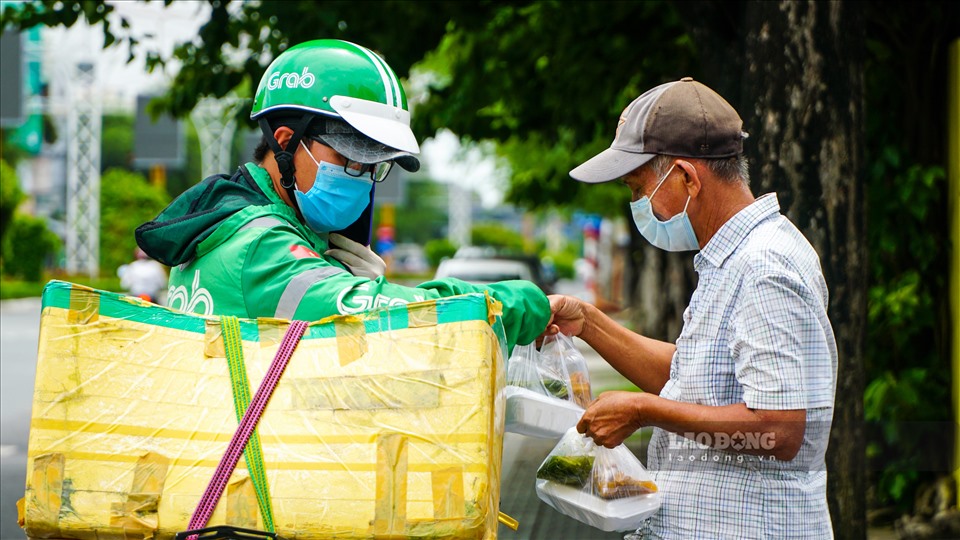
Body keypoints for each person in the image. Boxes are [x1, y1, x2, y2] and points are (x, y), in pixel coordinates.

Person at [545, 77, 838, 538]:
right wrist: (589, 323)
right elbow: (694, 381)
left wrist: (643, 411)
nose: (637, 205)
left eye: (638, 189)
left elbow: (780, 428)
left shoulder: (763, 266)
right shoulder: (731, 258)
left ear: (685, 177)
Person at [135, 39, 548, 352]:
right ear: (286, 141)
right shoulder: (258, 243)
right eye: (352, 160)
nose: (364, 180)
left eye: (374, 167)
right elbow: (406, 317)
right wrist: (523, 302)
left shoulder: (228, 222)